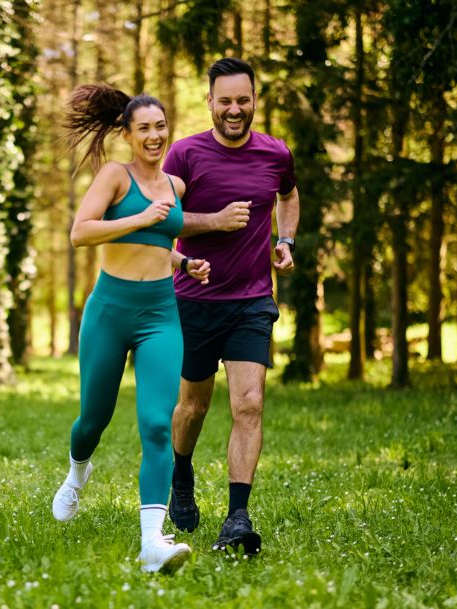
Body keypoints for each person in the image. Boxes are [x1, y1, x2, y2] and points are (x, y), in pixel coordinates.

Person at [51, 83, 211, 574]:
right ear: (126, 134)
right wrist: (140, 216)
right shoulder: (114, 177)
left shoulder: (176, 187)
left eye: (160, 126)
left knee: (159, 424)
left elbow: (159, 242)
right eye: (144, 128)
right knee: (92, 420)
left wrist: (182, 264)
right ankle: (78, 472)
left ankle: (151, 544)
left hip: (161, 312)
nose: (154, 135)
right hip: (110, 311)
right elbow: (81, 232)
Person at [162, 57, 301, 555]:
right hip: (195, 302)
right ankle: (181, 474)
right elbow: (162, 220)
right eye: (226, 101)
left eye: (243, 100)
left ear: (255, 100)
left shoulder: (275, 153)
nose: (235, 109)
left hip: (251, 301)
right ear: (210, 103)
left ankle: (237, 517)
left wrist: (286, 240)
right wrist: (214, 222)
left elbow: (288, 193)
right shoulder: (184, 155)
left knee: (249, 403)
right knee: (194, 405)